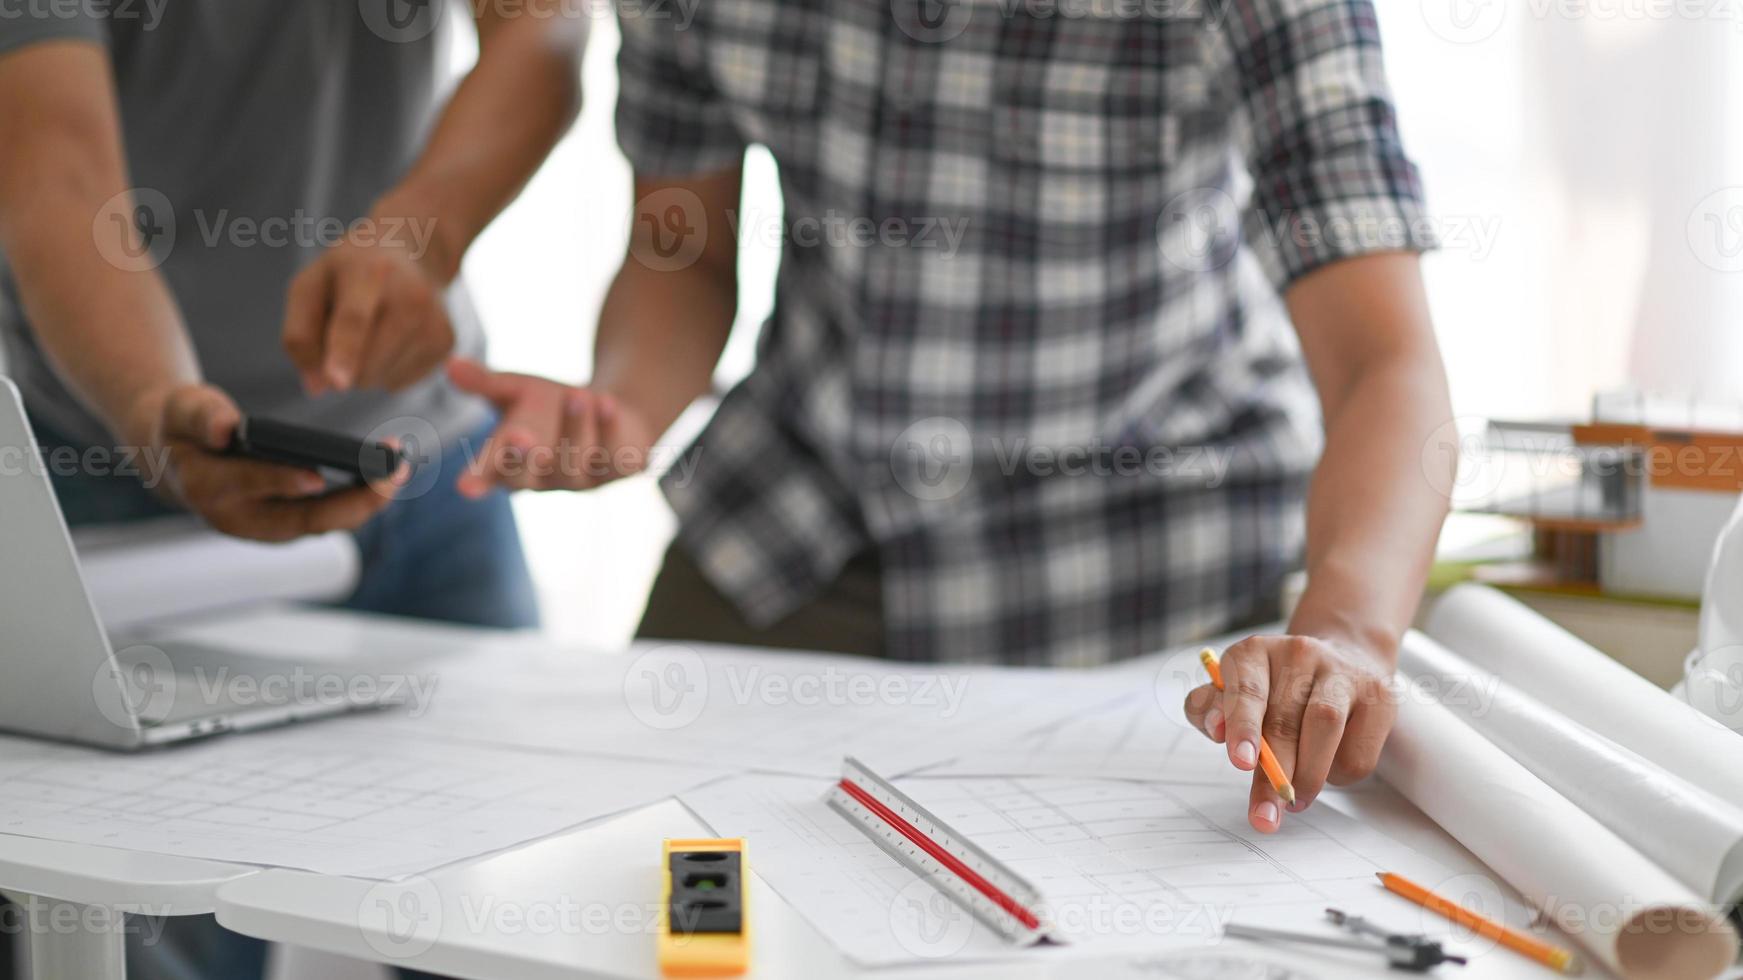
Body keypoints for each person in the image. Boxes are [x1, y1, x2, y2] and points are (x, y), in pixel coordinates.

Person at [461, 0, 1452, 837]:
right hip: (805, 512)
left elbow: (1385, 361)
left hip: (1150, 537)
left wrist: (1350, 633)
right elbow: (679, 255)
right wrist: (621, 404)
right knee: (622, 851)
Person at [0, 1, 585, 976]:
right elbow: (55, 170)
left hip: (428, 467)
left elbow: (548, 31)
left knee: (506, 909)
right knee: (146, 932)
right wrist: (155, 409)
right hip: (121, 481)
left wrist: (419, 237)